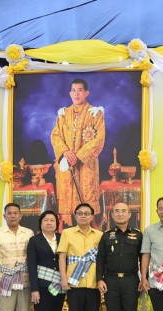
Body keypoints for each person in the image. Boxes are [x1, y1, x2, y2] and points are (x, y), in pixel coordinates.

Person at [51, 78, 106, 228]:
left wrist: (79, 156)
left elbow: (99, 139)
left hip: (86, 165)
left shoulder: (95, 114)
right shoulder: (63, 114)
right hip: (67, 163)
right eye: (74, 91)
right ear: (70, 93)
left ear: (86, 93)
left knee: (86, 198)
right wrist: (65, 152)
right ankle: (67, 230)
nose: (76, 94)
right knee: (67, 200)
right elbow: (55, 136)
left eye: (80, 90)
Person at [97, 203, 143, 311]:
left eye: (124, 211)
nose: (120, 214)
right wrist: (100, 279)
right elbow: (100, 259)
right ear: (112, 215)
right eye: (117, 211)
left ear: (129, 214)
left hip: (131, 280)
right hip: (111, 280)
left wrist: (143, 278)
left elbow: (143, 258)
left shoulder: (138, 235)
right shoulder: (106, 235)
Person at [58, 203, 103, 311]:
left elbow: (102, 259)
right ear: (75, 216)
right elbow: (62, 257)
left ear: (92, 216)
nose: (83, 216)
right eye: (80, 213)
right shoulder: (67, 233)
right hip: (74, 284)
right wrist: (64, 279)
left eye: (86, 213)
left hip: (93, 284)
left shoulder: (99, 235)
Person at [0, 202, 32, 311]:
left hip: (25, 280)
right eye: (9, 213)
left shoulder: (28, 233)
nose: (13, 216)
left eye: (15, 213)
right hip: (5, 281)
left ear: (20, 216)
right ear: (4, 216)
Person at [27, 210, 65, 311]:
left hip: (59, 285)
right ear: (41, 223)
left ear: (57, 224)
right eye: (46, 220)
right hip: (42, 286)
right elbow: (31, 265)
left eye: (52, 220)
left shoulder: (62, 238)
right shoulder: (34, 240)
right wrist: (34, 289)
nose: (49, 223)